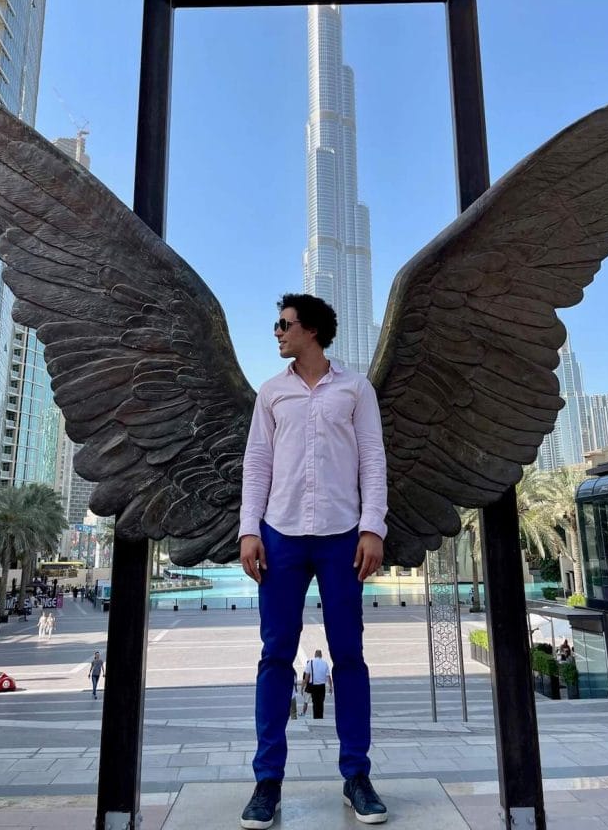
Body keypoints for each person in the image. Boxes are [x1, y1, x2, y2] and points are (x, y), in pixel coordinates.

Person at [239, 294, 388, 828]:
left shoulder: (355, 388)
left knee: (350, 656)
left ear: (313, 330)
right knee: (274, 656)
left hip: (342, 538)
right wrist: (248, 531)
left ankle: (356, 776)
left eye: (284, 324)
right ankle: (267, 783)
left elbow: (373, 458)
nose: (277, 332)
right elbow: (256, 462)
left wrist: (373, 527)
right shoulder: (271, 393)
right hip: (279, 536)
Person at [302, 649, 333, 719]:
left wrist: (303, 686)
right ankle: (320, 717)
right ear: (321, 655)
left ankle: (316, 718)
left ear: (315, 655)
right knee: (321, 703)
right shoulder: (325, 663)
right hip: (322, 686)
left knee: (315, 703)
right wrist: (331, 687)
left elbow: (306, 677)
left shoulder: (310, 662)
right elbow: (328, 676)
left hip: (314, 686)